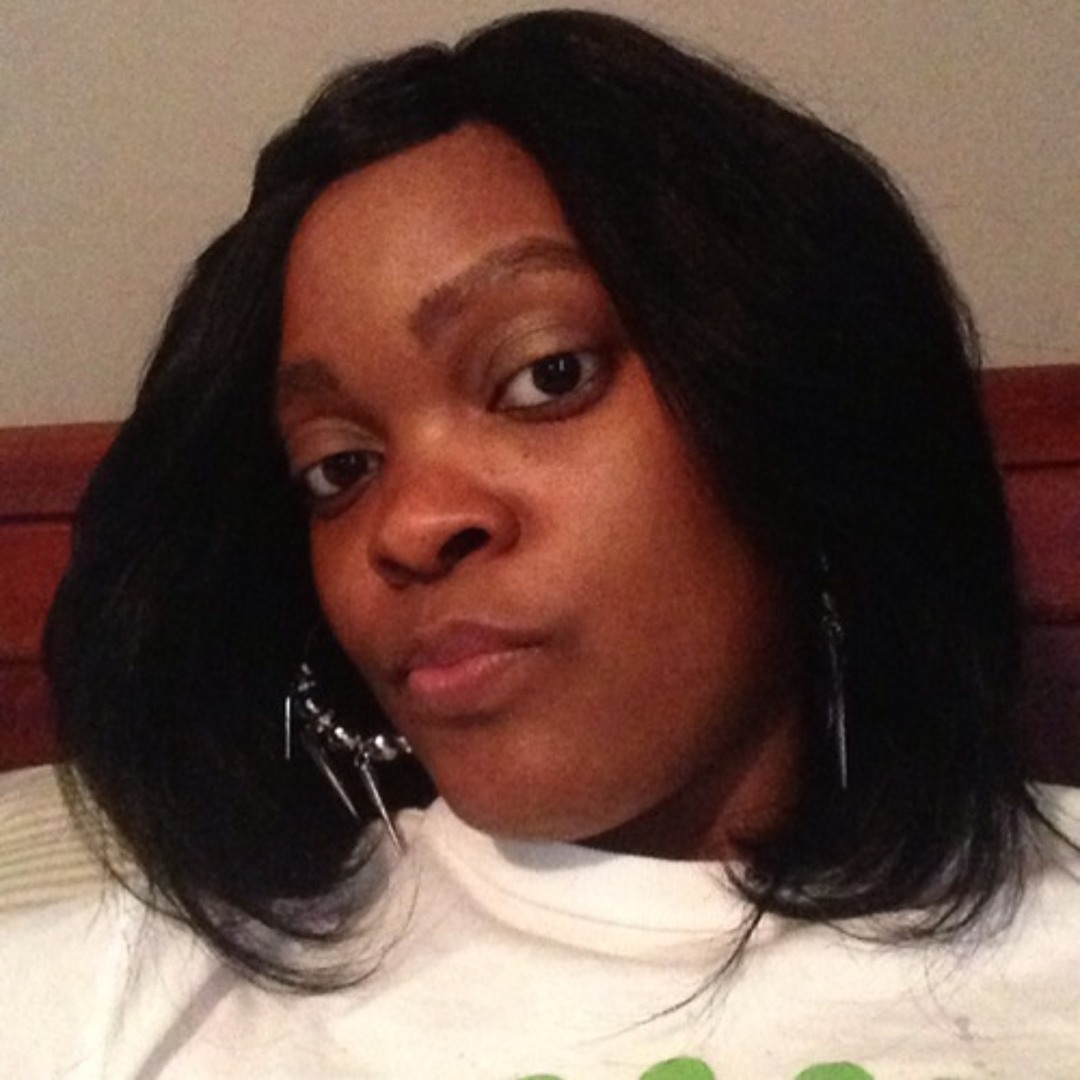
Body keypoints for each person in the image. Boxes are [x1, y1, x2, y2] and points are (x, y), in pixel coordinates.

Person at [1, 9, 1077, 1077]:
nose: (408, 527)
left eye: (546, 376)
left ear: (799, 406)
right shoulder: (105, 1005)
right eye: (339, 468)